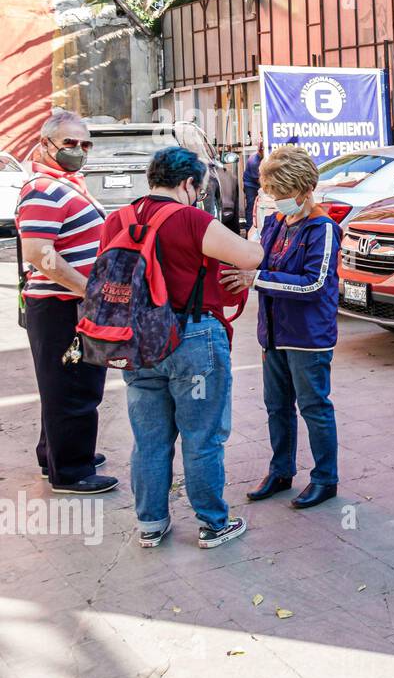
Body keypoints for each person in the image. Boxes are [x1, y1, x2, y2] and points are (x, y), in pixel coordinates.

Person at [100, 146, 264, 548]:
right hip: (192, 337)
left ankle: (151, 524)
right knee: (202, 435)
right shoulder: (191, 219)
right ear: (189, 184)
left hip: (138, 341)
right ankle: (212, 523)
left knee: (150, 438)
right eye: (201, 187)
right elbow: (251, 255)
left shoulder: (117, 219)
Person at [222, 146, 341, 509]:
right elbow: (257, 257)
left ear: (305, 190)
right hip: (273, 333)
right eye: (272, 192)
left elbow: (313, 284)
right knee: (276, 405)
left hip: (308, 336)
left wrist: (256, 279)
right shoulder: (275, 223)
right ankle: (281, 470)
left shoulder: (323, 229)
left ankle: (325, 478)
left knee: (314, 406)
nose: (275, 200)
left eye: (282, 194)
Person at [16, 110, 117, 493]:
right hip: (62, 305)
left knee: (61, 385)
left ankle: (57, 455)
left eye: (85, 144)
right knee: (74, 387)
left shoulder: (65, 182)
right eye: (70, 143)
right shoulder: (44, 188)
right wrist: (89, 290)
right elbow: (39, 253)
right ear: (45, 144)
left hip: (65, 302)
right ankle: (72, 472)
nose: (79, 150)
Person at [242, 140, 263, 235]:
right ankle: (249, 230)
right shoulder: (254, 161)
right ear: (260, 150)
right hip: (251, 184)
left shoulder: (264, 158)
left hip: (258, 182)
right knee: (251, 206)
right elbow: (261, 181)